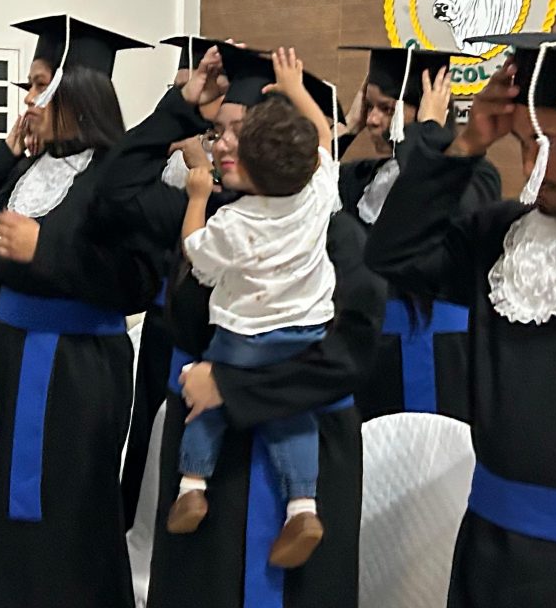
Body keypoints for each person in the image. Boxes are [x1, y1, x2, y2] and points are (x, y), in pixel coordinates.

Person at [97, 42, 384, 608]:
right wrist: (180, 108)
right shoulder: (218, 215)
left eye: (236, 130)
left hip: (305, 444)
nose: (220, 143)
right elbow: (112, 190)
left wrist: (232, 386)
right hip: (212, 457)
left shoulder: (334, 234)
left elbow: (349, 357)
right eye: (217, 129)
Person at [364, 32, 556, 608]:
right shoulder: (499, 235)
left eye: (554, 143)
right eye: (526, 144)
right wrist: (465, 145)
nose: (535, 165)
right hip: (488, 546)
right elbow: (393, 256)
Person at [0, 14, 158, 608]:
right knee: (10, 516)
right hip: (14, 358)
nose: (30, 97)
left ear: (77, 89)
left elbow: (137, 284)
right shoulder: (28, 170)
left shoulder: (117, 177)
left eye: (40, 82)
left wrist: (47, 250)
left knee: (69, 513)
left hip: (80, 368)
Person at [168, 48, 338, 572]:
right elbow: (326, 139)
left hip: (242, 339)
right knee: (292, 414)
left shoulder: (235, 222)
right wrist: (296, 90)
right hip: (305, 336)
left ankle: (193, 484)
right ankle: (303, 505)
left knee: (206, 396)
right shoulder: (317, 195)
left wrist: (197, 198)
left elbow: (196, 255)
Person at [338, 46, 501, 421]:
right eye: (371, 107)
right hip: (370, 353)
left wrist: (428, 134)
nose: (375, 120)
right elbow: (303, 182)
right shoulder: (363, 178)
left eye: (389, 109)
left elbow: (446, 211)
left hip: (439, 353)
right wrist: (348, 125)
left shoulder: (473, 174)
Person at [119, 35, 223, 531]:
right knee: (145, 424)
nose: (189, 99)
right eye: (179, 88)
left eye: (197, 90)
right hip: (163, 314)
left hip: (209, 326)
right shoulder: (162, 159)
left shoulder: (222, 165)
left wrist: (201, 170)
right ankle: (131, 519)